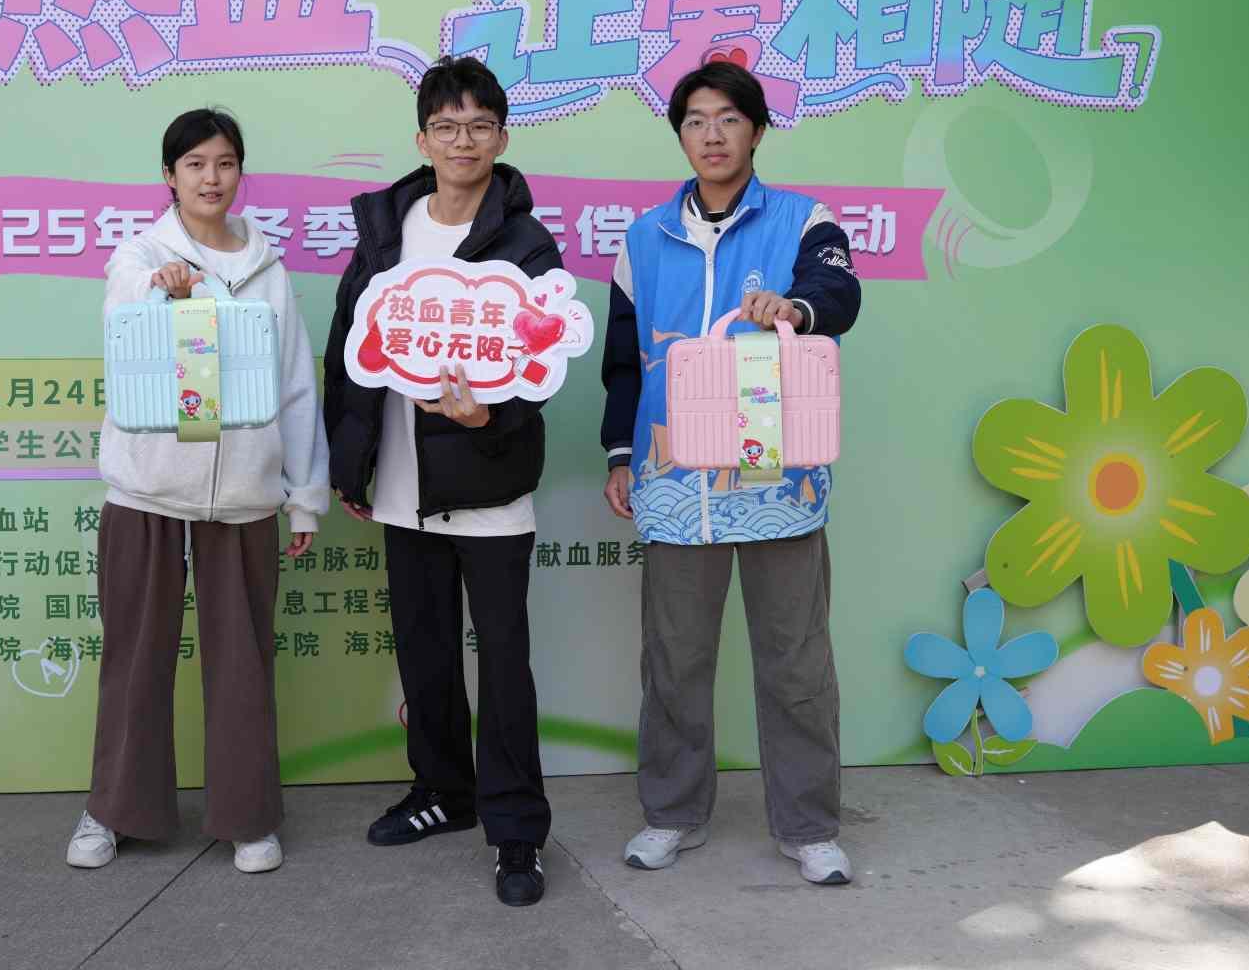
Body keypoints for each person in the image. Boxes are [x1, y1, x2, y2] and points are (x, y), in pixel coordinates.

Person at [598, 60, 862, 884]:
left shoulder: (802, 220)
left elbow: (838, 292)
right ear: (679, 134)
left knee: (796, 661)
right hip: (675, 482)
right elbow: (621, 362)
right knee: (674, 661)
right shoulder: (644, 238)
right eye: (695, 120)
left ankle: (809, 826)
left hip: (779, 480)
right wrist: (619, 454)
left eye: (728, 119)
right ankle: (673, 815)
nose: (711, 135)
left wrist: (796, 308)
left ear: (757, 129)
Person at [322, 57, 560, 907]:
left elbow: (542, 366)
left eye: (480, 126)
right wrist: (349, 460)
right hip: (400, 481)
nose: (464, 142)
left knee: (504, 666)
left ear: (502, 137)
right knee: (424, 655)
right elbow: (348, 345)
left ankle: (517, 831)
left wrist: (488, 415)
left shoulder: (525, 244)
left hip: (490, 486)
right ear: (422, 139)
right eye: (447, 127)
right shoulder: (389, 228)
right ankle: (443, 793)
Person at [69, 108, 329, 875]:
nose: (211, 178)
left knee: (243, 663)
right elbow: (126, 336)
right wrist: (166, 298)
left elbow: (295, 387)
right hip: (147, 492)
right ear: (169, 176)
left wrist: (304, 495)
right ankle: (111, 812)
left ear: (240, 171)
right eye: (194, 165)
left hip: (245, 495)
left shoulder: (269, 268)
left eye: (224, 163)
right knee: (134, 660)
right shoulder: (142, 256)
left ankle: (249, 818)